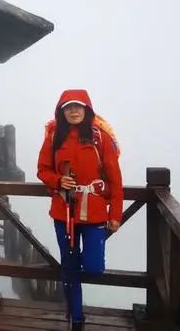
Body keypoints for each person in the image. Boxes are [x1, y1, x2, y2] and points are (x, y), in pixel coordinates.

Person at [37, 89, 124, 329]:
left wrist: (115, 214)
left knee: (94, 266)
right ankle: (76, 318)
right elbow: (42, 169)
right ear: (61, 111)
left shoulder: (100, 138)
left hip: (94, 212)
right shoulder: (54, 137)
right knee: (69, 267)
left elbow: (116, 181)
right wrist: (57, 181)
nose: (73, 111)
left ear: (87, 110)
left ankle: (80, 269)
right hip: (63, 212)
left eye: (78, 107)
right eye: (68, 107)